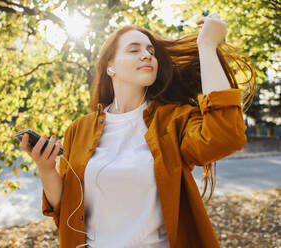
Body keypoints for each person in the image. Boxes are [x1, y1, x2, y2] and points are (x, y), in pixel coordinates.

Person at [20, 13, 255, 248]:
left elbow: (225, 136)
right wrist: (45, 168)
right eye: (134, 50)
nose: (146, 55)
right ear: (110, 66)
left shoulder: (173, 120)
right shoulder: (78, 129)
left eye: (151, 52)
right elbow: (65, 208)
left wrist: (206, 46)